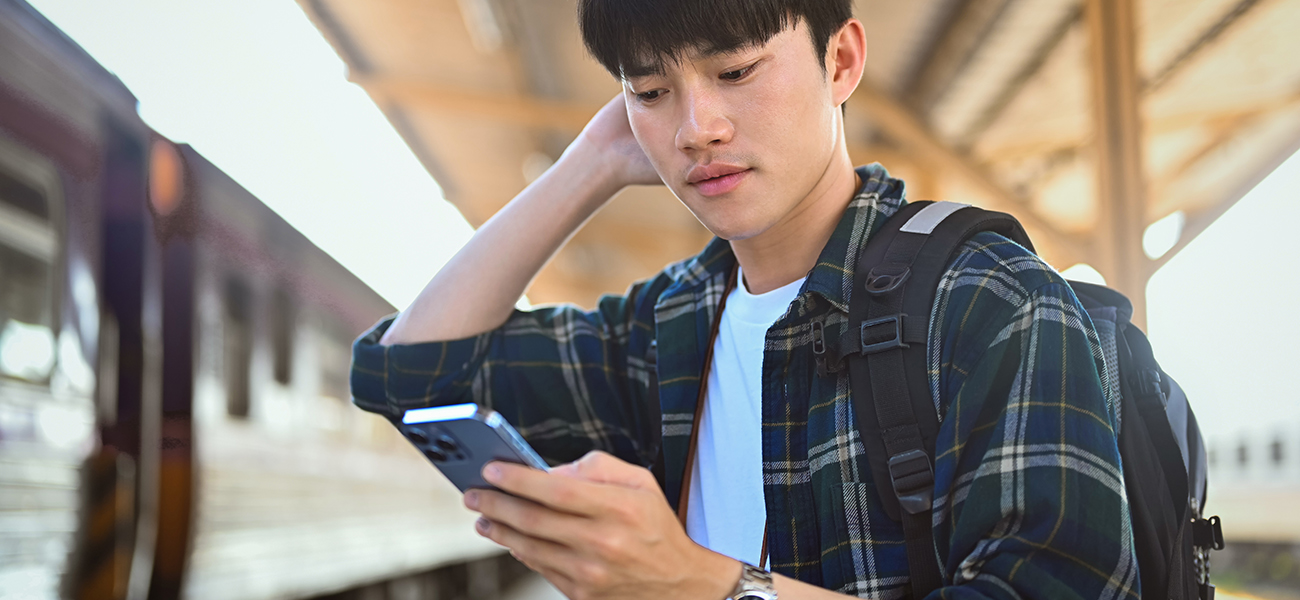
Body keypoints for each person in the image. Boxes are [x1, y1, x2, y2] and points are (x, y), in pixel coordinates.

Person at [350, 1, 1140, 598]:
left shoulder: (991, 302)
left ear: (841, 61)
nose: (698, 127)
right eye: (652, 90)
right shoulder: (668, 327)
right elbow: (408, 377)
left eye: (734, 72)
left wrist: (710, 585)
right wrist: (585, 165)